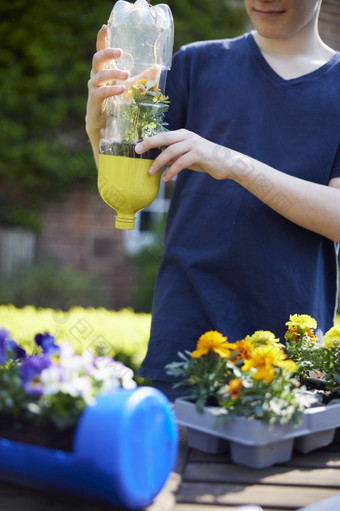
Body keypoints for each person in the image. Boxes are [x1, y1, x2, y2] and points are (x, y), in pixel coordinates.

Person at [86, 0, 340, 401]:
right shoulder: (195, 65)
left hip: (289, 355)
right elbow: (130, 174)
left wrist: (232, 162)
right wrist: (99, 124)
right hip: (184, 342)